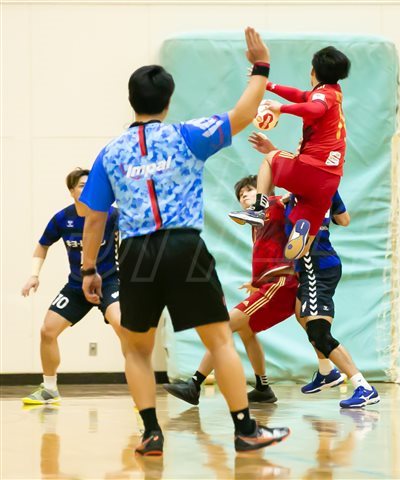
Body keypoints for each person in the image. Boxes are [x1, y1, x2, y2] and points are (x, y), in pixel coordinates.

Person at [78, 28, 289, 456]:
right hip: (184, 248)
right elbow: (244, 113)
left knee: (136, 350)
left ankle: (151, 434)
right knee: (219, 340)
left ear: (131, 100)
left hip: (136, 254)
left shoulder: (110, 153)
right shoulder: (187, 135)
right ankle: (245, 429)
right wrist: (261, 66)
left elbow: (94, 218)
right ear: (168, 100)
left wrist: (88, 269)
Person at [249, 132, 379, 408]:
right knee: (302, 316)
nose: (298, 152)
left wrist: (272, 153)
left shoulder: (307, 184)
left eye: (302, 149)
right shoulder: (319, 187)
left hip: (317, 266)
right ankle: (326, 371)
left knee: (319, 332)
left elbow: (286, 168)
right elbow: (344, 219)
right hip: (314, 266)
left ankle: (363, 386)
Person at [162, 175, 300, 405]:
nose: (244, 197)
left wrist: (284, 196)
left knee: (223, 328)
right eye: (240, 195)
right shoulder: (256, 223)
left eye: (249, 190)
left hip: (281, 283)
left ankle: (194, 385)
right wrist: (256, 282)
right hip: (270, 282)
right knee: (246, 331)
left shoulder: (275, 204)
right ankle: (263, 387)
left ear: (263, 191)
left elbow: (289, 198)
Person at [229, 46, 351, 261]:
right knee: (299, 251)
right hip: (330, 182)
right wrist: (267, 85)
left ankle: (258, 209)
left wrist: (281, 108)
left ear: (313, 72)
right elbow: (299, 95)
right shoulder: (334, 93)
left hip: (312, 168)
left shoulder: (322, 96)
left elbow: (315, 109)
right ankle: (303, 231)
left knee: (269, 159)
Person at [20, 168, 122, 405]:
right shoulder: (61, 219)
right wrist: (34, 275)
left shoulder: (110, 214)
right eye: (81, 186)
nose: (87, 189)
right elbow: (42, 244)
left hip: (109, 282)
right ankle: (49, 389)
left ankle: (141, 395)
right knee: (47, 331)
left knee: (124, 327)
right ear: (71, 191)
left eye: (90, 185)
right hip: (76, 286)